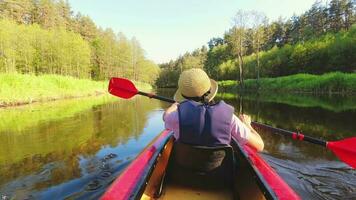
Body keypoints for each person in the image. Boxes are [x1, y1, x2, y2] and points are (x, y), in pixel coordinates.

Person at [163, 68, 264, 152]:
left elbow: (165, 116)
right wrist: (247, 125)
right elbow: (259, 146)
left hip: (185, 173)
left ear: (183, 98)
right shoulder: (229, 118)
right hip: (220, 174)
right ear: (210, 92)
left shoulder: (174, 117)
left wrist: (175, 106)